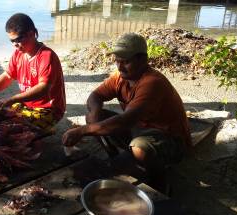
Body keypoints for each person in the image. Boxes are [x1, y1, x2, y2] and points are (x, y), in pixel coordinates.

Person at [62, 33, 192, 193]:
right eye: (117, 61)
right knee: (94, 117)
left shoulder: (152, 83)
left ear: (143, 60)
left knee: (139, 148)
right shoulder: (120, 77)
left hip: (169, 137)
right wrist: (95, 112)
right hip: (138, 128)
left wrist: (83, 131)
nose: (120, 67)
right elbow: (95, 96)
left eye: (126, 62)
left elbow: (125, 121)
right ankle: (118, 158)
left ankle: (160, 185)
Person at [0, 13, 66, 132]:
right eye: (12, 41)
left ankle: (40, 135)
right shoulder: (18, 53)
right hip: (26, 104)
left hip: (49, 110)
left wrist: (13, 99)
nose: (15, 45)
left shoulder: (47, 56)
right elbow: (7, 76)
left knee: (14, 128)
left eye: (18, 40)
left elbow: (44, 88)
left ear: (32, 34)